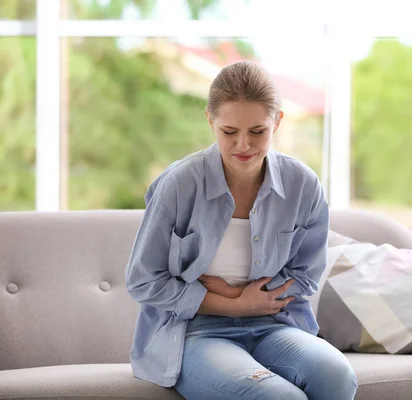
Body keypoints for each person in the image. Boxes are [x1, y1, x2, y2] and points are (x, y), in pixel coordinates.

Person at [125, 60, 357, 400]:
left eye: (258, 132)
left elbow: (307, 275)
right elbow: (143, 280)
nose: (243, 145)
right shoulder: (179, 185)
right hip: (194, 332)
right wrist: (235, 303)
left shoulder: (303, 185)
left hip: (273, 325)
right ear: (210, 120)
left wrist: (244, 300)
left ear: (277, 122)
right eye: (229, 132)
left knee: (337, 375)